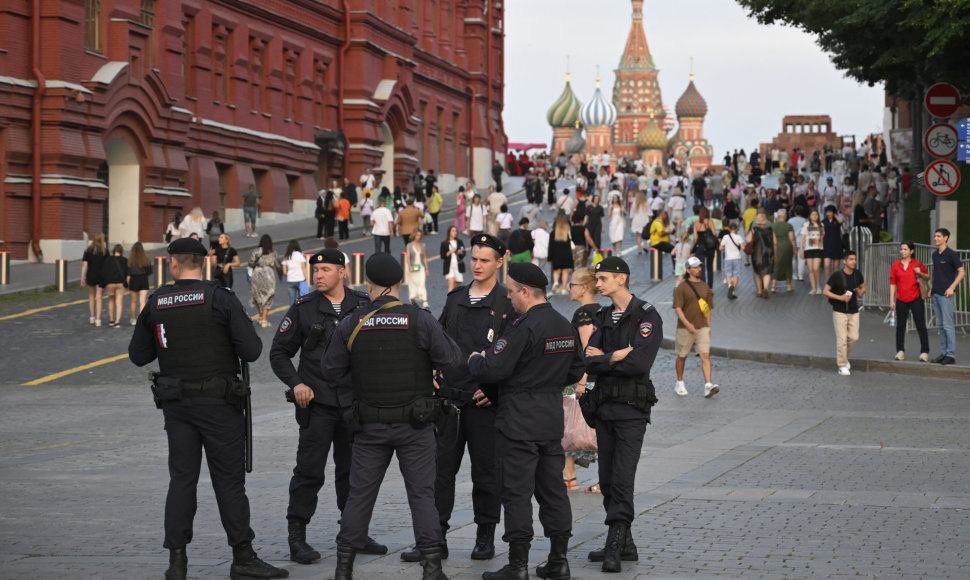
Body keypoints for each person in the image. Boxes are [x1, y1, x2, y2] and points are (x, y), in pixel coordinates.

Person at [127, 237, 286, 580]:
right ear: (205, 263)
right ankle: (242, 558)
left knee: (182, 480)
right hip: (219, 405)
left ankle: (177, 562)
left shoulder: (157, 301)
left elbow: (139, 355)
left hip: (177, 407)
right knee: (228, 482)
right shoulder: (219, 298)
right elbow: (252, 349)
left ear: (172, 264)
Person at [323, 253, 461, 580]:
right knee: (422, 495)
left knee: (359, 496)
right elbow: (451, 359)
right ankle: (431, 568)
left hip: (369, 423)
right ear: (399, 284)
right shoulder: (420, 319)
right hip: (415, 424)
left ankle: (344, 569)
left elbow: (330, 369)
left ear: (367, 284)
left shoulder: (351, 322)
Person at [463, 262, 584, 580]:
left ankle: (517, 566)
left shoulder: (523, 326)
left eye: (513, 292)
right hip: (549, 418)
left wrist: (476, 359)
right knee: (553, 490)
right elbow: (575, 370)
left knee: (516, 492)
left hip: (517, 420)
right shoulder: (563, 325)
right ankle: (559, 561)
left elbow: (492, 368)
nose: (510, 298)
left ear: (526, 292)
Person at [399, 234, 511, 566]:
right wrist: (431, 373)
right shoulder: (455, 297)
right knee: (438, 473)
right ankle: (435, 539)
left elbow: (516, 354)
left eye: (484, 260)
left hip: (484, 404)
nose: (476, 265)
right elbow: (437, 339)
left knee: (486, 472)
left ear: (499, 263)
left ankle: (485, 535)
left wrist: (496, 391)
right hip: (448, 402)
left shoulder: (506, 303)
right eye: (474, 259)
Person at [270, 249, 386, 565]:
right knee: (309, 471)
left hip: (353, 405)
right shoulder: (304, 308)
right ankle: (298, 537)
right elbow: (279, 353)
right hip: (317, 403)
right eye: (315, 270)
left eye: (324, 269)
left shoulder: (363, 305)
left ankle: (354, 534)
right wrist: (296, 384)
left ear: (342, 271)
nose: (318, 275)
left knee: (354, 473)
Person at [584, 257, 662, 573]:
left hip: (631, 411)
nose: (598, 284)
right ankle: (625, 544)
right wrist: (614, 356)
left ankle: (615, 541)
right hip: (604, 409)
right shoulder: (602, 316)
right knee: (605, 479)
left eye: (602, 279)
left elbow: (639, 365)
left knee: (622, 479)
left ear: (621, 279)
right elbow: (585, 361)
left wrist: (603, 359)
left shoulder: (646, 316)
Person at [563, 268, 601, 492]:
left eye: (573, 284)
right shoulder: (600, 310)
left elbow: (588, 349)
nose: (570, 288)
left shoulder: (584, 313)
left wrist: (582, 382)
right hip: (592, 378)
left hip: (582, 378)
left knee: (571, 426)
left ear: (584, 288)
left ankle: (570, 476)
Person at [673, 256, 719, 397]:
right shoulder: (681, 288)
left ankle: (708, 385)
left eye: (699, 266)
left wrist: (708, 327)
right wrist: (687, 324)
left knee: (705, 355)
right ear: (688, 270)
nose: (699, 269)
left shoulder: (705, 287)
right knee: (682, 356)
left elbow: (708, 309)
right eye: (695, 267)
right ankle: (679, 383)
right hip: (684, 329)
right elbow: (678, 308)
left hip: (702, 328)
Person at [823, 251, 866, 376]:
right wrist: (840, 298)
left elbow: (864, 287)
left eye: (855, 259)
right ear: (845, 261)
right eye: (851, 259)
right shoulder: (836, 276)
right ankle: (842, 365)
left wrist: (860, 291)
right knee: (841, 339)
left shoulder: (857, 274)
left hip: (854, 311)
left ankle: (843, 357)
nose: (854, 262)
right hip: (839, 311)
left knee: (854, 337)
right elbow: (825, 291)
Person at [889, 241, 930, 362]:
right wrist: (891, 300)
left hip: (916, 298)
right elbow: (892, 283)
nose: (902, 251)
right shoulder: (895, 265)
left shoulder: (917, 263)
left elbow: (927, 276)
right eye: (901, 249)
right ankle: (900, 351)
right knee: (900, 326)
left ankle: (924, 352)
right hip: (901, 299)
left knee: (920, 325)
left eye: (905, 249)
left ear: (911, 251)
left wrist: (920, 272)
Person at [930, 228, 965, 365]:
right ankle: (944, 353)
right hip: (936, 293)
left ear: (946, 238)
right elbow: (937, 273)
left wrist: (952, 287)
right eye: (935, 236)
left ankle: (950, 354)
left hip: (946, 295)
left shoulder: (952, 254)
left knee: (948, 325)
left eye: (938, 236)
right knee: (940, 325)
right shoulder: (935, 255)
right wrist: (932, 287)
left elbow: (962, 272)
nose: (936, 238)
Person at [249, 235, 281, 327]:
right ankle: (264, 319)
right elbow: (278, 265)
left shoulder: (256, 251)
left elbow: (251, 263)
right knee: (268, 297)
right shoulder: (274, 253)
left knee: (258, 296)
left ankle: (260, 316)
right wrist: (280, 276)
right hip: (269, 275)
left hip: (257, 274)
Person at [747, 211, 775, 299]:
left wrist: (751, 234)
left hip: (757, 253)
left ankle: (759, 291)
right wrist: (776, 253)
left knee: (757, 272)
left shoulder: (754, 229)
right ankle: (766, 287)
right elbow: (775, 242)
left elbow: (748, 240)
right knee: (767, 271)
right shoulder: (770, 229)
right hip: (769, 252)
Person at [81, 233, 107, 326]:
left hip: (91, 275)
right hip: (101, 276)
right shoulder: (104, 251)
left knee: (91, 296)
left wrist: (82, 277)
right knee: (99, 297)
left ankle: (92, 317)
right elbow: (107, 265)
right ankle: (98, 320)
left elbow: (84, 265)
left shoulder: (88, 250)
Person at [101, 244, 128, 328]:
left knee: (111, 300)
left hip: (110, 283)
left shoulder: (108, 260)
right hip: (120, 284)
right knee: (119, 302)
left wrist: (103, 285)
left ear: (114, 251)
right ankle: (117, 322)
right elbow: (127, 273)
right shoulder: (125, 260)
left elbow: (104, 272)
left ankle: (111, 320)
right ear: (121, 251)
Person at [770, 209, 796, 292]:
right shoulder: (788, 225)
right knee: (788, 264)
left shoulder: (772, 226)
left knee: (775, 264)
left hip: (775, 246)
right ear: (785, 216)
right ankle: (788, 285)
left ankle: (774, 286)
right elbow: (792, 238)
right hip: (787, 246)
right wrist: (795, 248)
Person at [127, 242, 152, 325]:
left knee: (133, 301)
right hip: (143, 280)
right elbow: (149, 271)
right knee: (142, 301)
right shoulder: (146, 259)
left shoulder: (130, 260)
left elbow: (127, 272)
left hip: (133, 280)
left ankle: (133, 319)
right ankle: (142, 320)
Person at [800, 210, 825, 295]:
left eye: (816, 214)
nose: (814, 216)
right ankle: (813, 288)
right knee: (810, 269)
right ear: (809, 216)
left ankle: (819, 286)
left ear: (818, 216)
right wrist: (801, 250)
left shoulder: (821, 225)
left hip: (818, 248)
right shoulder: (805, 225)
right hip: (808, 249)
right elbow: (802, 238)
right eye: (812, 214)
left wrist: (820, 238)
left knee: (816, 268)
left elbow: (823, 235)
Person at [406, 229, 431, 310]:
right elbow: (408, 257)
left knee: (422, 284)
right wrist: (409, 266)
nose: (418, 237)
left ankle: (425, 302)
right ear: (414, 236)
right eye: (417, 235)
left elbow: (424, 257)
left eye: (420, 235)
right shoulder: (409, 245)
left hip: (421, 268)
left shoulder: (423, 245)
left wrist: (427, 268)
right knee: (412, 285)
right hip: (412, 269)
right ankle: (413, 301)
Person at [548, 214, 573, 295]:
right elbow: (569, 246)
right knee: (565, 271)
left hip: (556, 254)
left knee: (556, 271)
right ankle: (563, 289)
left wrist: (549, 258)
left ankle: (555, 282)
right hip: (566, 254)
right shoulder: (567, 232)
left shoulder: (553, 233)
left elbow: (550, 246)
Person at [719, 222, 745, 300]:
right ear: (736, 229)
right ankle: (733, 291)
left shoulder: (725, 237)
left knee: (728, 273)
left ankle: (729, 284)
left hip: (728, 258)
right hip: (737, 257)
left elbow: (720, 248)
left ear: (729, 229)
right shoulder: (739, 237)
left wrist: (725, 248)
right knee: (736, 274)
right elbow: (743, 248)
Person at [821, 205, 845, 281]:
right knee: (827, 265)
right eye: (827, 212)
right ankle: (829, 282)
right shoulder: (823, 222)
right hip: (827, 245)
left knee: (836, 267)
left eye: (830, 212)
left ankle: (836, 282)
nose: (828, 213)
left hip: (837, 245)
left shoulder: (837, 220)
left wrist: (835, 215)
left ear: (834, 212)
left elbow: (841, 221)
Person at [440, 226, 466, 293]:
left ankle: (452, 294)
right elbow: (442, 256)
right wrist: (450, 252)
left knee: (459, 281)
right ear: (449, 233)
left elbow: (464, 252)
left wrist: (461, 253)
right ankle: (450, 302)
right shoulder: (444, 243)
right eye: (453, 231)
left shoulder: (459, 241)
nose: (455, 232)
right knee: (451, 283)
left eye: (456, 231)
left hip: (458, 265)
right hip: (449, 266)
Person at [281, 240, 307, 305]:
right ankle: (302, 314)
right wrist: (307, 278)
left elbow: (284, 272)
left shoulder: (286, 256)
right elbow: (304, 267)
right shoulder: (300, 255)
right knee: (303, 301)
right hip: (301, 279)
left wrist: (289, 275)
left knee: (292, 302)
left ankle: (293, 315)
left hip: (290, 280)